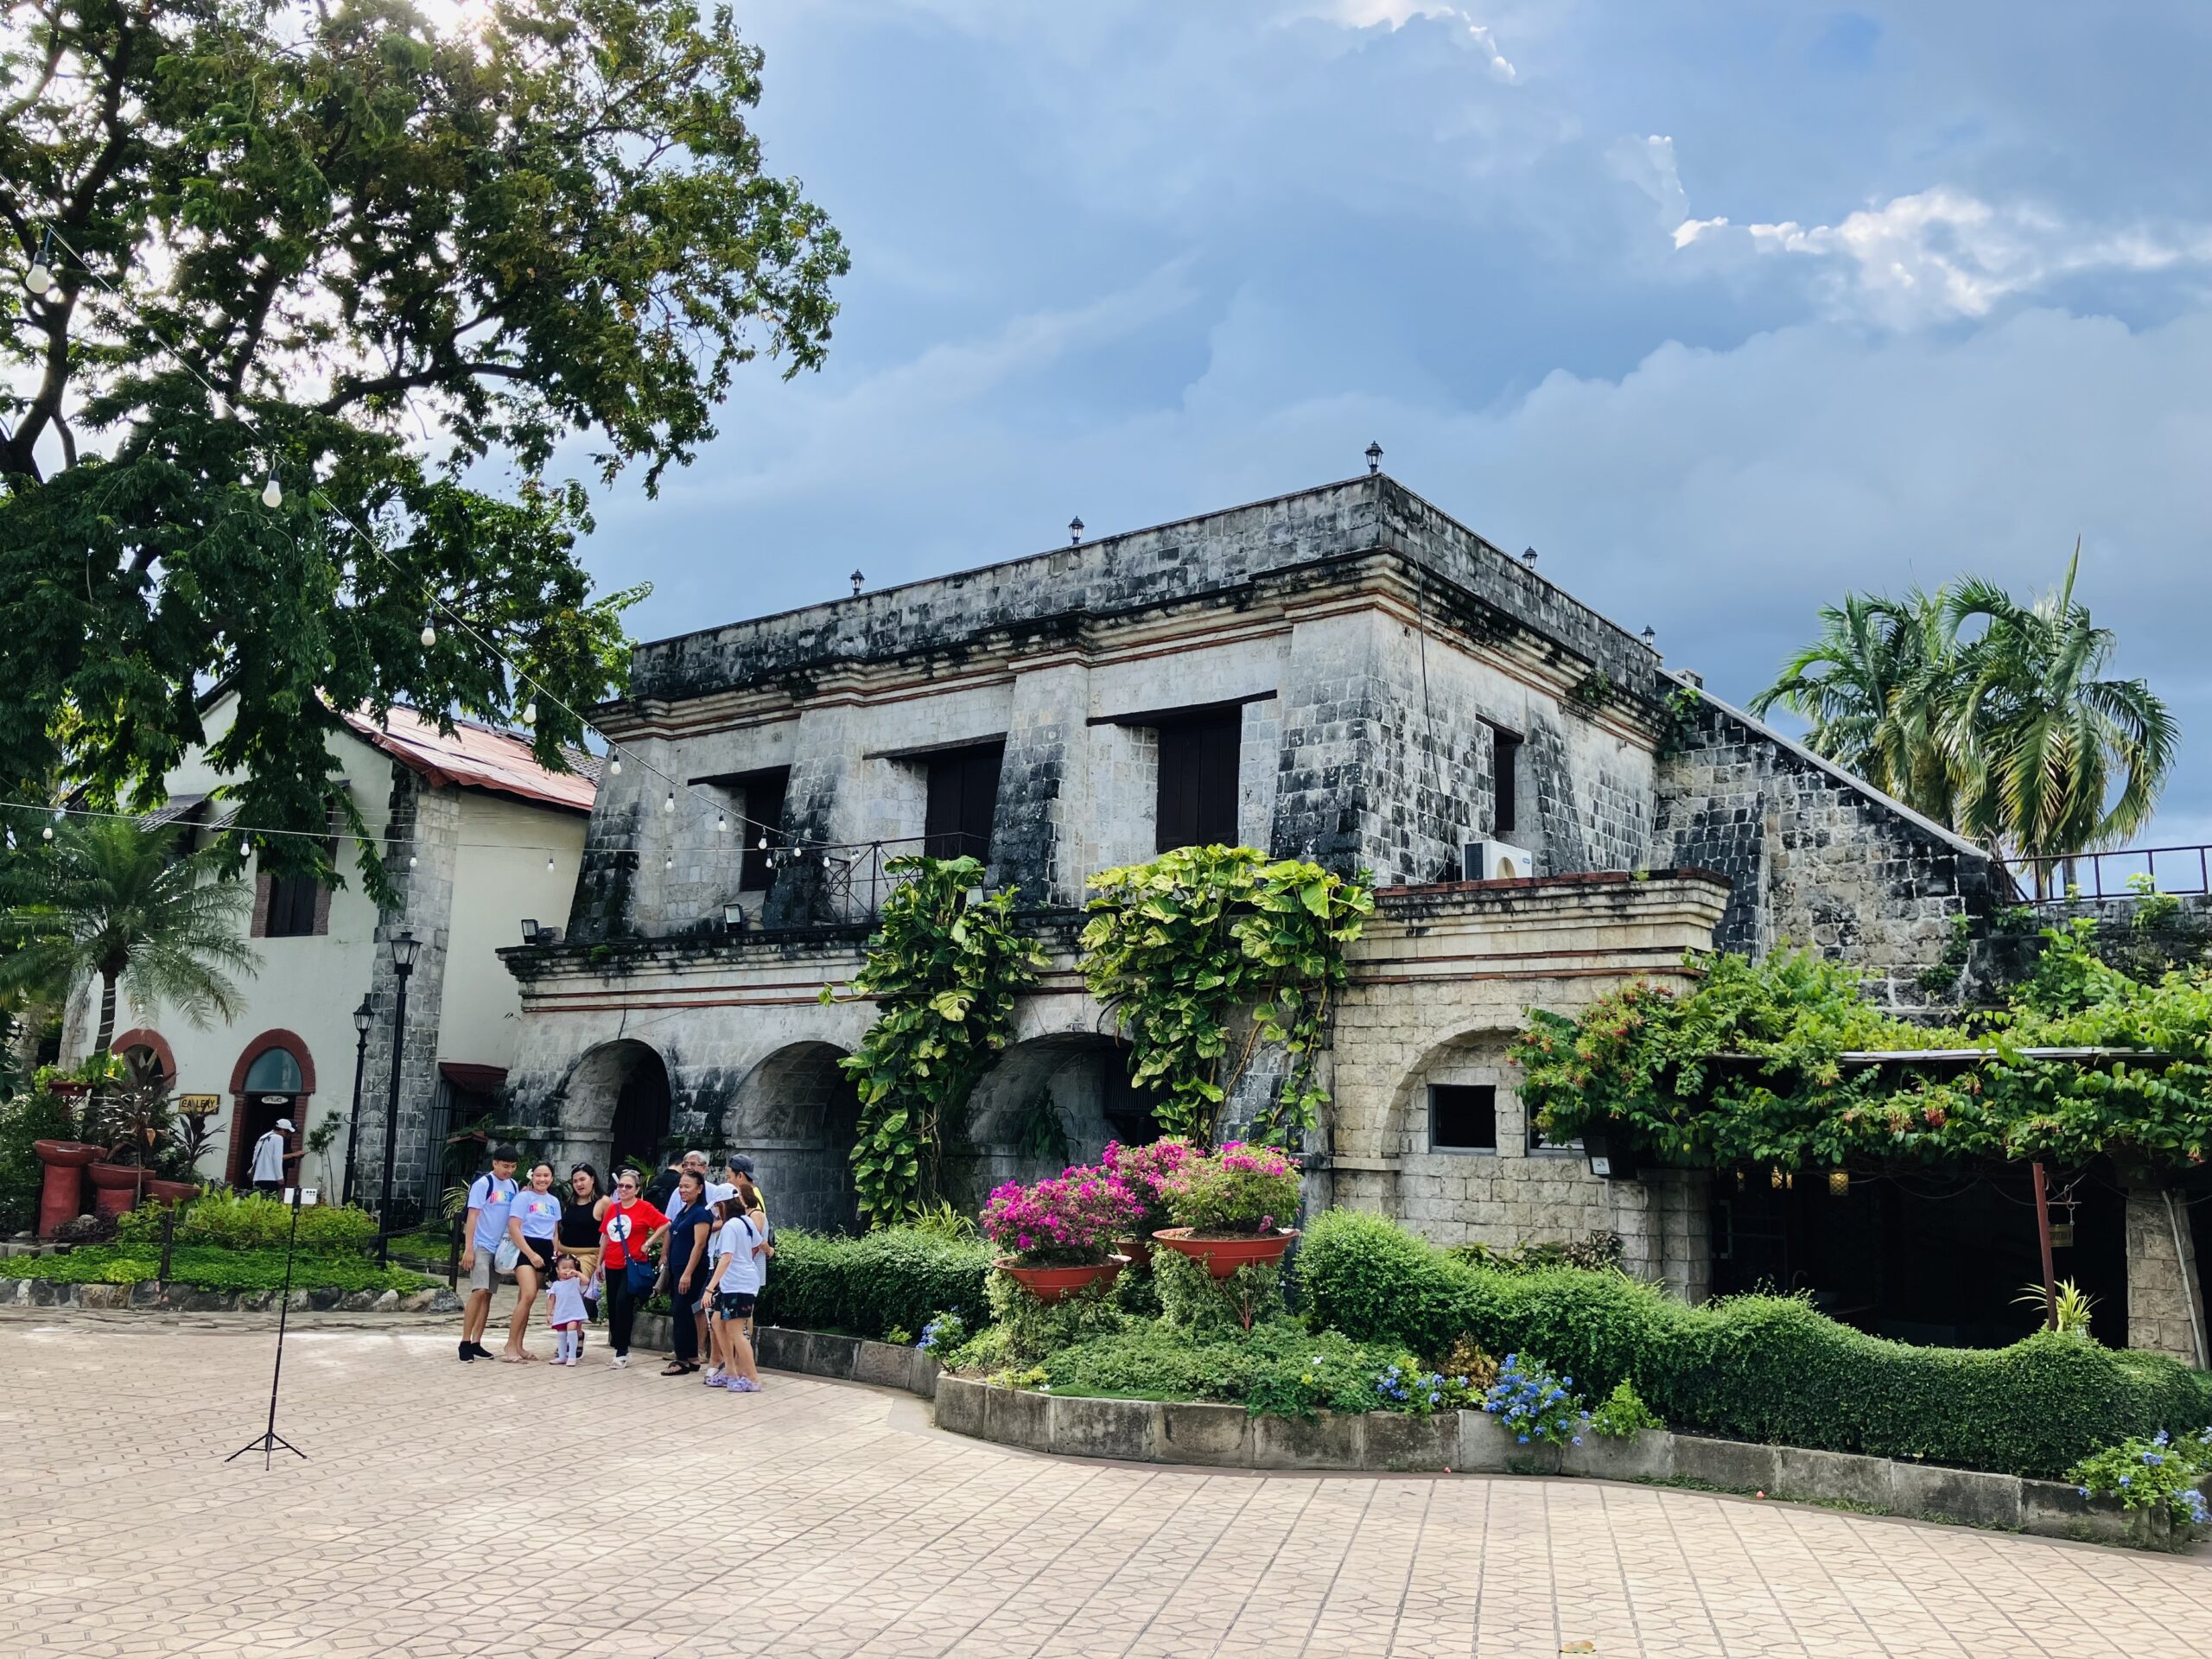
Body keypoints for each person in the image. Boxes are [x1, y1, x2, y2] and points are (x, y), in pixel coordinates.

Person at [594, 1166, 667, 1369]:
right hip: (613, 1262)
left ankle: (622, 1350)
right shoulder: (612, 1208)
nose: (624, 1189)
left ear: (636, 1189)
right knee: (614, 1306)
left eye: (628, 1186)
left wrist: (649, 1243)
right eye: (621, 1186)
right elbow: (606, 1237)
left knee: (623, 1302)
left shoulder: (644, 1207)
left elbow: (665, 1223)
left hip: (632, 1263)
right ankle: (620, 1345)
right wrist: (599, 1263)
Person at [458, 1147, 520, 1363]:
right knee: (479, 1291)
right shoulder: (484, 1184)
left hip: (500, 1247)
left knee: (488, 1295)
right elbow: (472, 1216)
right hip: (481, 1245)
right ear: (495, 1164)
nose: (508, 1171)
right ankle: (464, 1342)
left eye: (512, 1167)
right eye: (505, 1166)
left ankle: (476, 1342)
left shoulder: (514, 1186)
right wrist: (469, 1248)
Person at [707, 1192, 768, 1393]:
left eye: (717, 1206)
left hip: (738, 1284)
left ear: (723, 1205)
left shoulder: (731, 1226)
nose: (716, 1211)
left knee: (735, 1331)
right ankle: (731, 1371)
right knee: (717, 1322)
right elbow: (758, 1243)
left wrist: (710, 1288)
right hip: (734, 1283)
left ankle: (752, 1378)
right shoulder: (745, 1221)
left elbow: (726, 1258)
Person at [501, 1162, 563, 1362]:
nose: (542, 1179)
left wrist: (555, 1254)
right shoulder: (523, 1197)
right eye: (538, 1175)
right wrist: (530, 1253)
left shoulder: (554, 1201)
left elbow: (554, 1232)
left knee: (528, 1299)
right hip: (525, 1249)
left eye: (546, 1175)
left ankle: (519, 1345)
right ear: (532, 1176)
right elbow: (514, 1226)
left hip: (545, 1250)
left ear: (551, 1178)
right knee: (528, 1294)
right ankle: (509, 1345)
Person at [656, 1169, 714, 1376]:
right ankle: (691, 1357)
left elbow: (699, 1245)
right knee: (682, 1312)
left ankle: (681, 1359)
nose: (682, 1190)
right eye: (681, 1186)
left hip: (691, 1270)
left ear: (699, 1189)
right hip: (678, 1268)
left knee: (681, 1311)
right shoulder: (684, 1211)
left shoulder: (701, 1212)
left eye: (687, 1186)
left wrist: (688, 1273)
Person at [558, 1163, 608, 1333]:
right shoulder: (569, 1201)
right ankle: (569, 1334)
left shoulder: (603, 1202)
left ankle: (575, 1334)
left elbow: (609, 1234)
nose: (579, 1184)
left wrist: (601, 1261)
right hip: (563, 1254)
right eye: (575, 1181)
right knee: (561, 1297)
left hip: (588, 1255)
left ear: (592, 1179)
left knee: (573, 1292)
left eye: (583, 1179)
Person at [545, 1255, 590, 1367]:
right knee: (561, 1334)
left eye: (571, 1267)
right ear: (557, 1269)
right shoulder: (555, 1285)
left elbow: (587, 1281)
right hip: (561, 1313)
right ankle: (561, 1356)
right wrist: (549, 1314)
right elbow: (551, 1300)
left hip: (574, 1312)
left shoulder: (576, 1281)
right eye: (564, 1267)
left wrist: (578, 1274)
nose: (567, 1270)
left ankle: (572, 1356)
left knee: (571, 1329)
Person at [643, 1148, 706, 1212]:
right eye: (686, 1164)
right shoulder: (680, 1180)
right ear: (682, 1164)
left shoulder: (653, 1179)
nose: (688, 1168)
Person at [250, 1118, 300, 1198]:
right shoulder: (278, 1138)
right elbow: (277, 1158)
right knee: (271, 1203)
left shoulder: (263, 1137)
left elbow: (255, 1156)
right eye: (288, 1132)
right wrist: (280, 1177)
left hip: (258, 1177)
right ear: (283, 1130)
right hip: (271, 1178)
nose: (288, 1135)